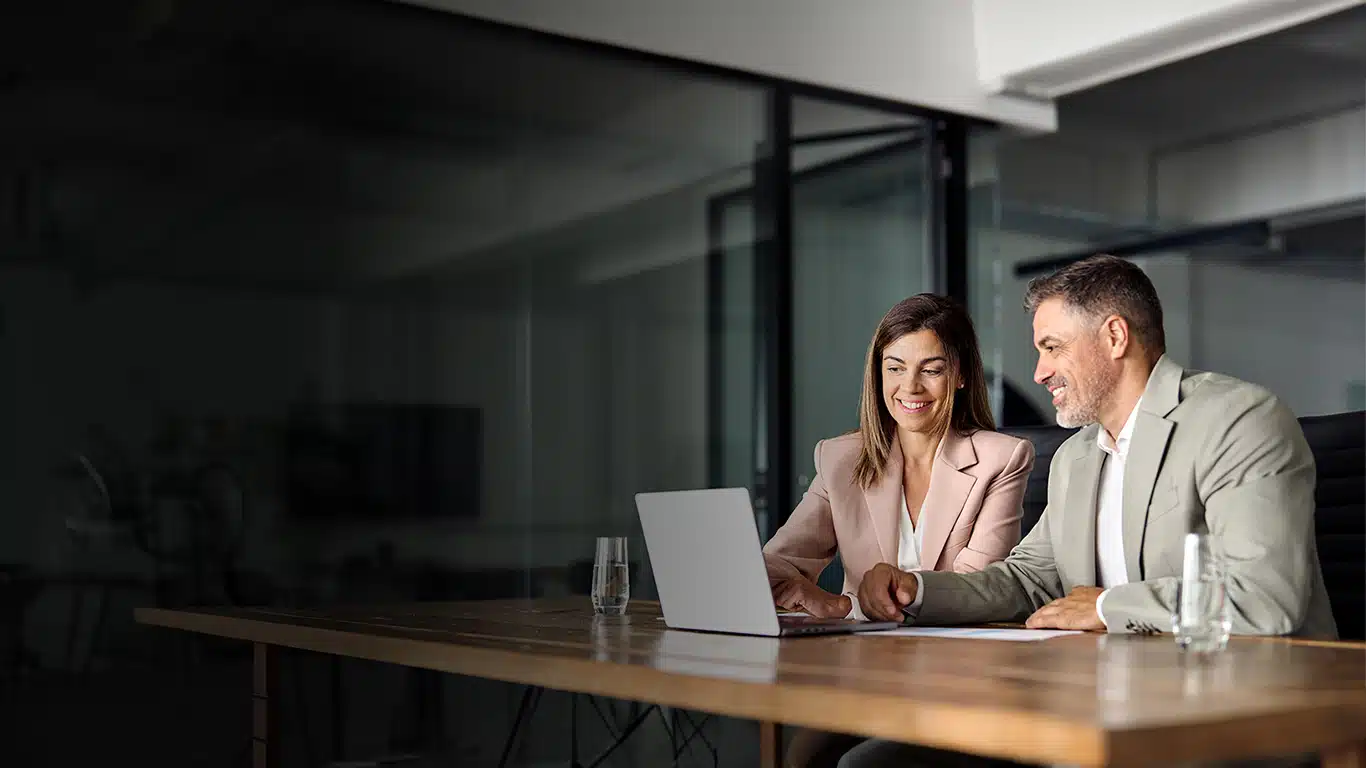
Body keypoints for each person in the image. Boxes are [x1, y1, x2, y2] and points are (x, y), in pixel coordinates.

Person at [847, 254, 1337, 766]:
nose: (1038, 373)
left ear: (1115, 337)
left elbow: (1262, 598)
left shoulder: (1238, 420)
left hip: (1236, 711)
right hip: (1107, 699)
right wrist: (917, 588)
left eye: (1051, 348)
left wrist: (1106, 607)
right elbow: (1025, 580)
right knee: (881, 761)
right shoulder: (1077, 456)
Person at [762, 293, 1035, 768]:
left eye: (931, 369)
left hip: (957, 681)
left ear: (962, 373)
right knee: (799, 756)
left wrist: (874, 601)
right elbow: (777, 563)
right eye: (894, 367)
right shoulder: (839, 458)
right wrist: (825, 602)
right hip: (864, 676)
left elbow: (978, 590)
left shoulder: (1002, 458)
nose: (910, 386)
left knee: (853, 764)